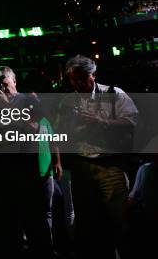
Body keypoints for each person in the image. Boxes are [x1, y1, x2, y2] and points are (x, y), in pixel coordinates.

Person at [57, 55, 138, 259]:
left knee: (118, 220)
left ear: (93, 75)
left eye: (81, 79)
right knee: (88, 223)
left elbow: (131, 122)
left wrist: (101, 121)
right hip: (82, 166)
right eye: (73, 80)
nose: (77, 84)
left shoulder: (113, 93)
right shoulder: (68, 101)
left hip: (110, 165)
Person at [0, 66, 55, 258]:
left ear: (14, 81)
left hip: (27, 174)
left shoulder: (28, 99)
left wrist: (5, 105)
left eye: (4, 83)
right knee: (9, 231)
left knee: (35, 227)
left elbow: (34, 128)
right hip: (2, 176)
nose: (1, 88)